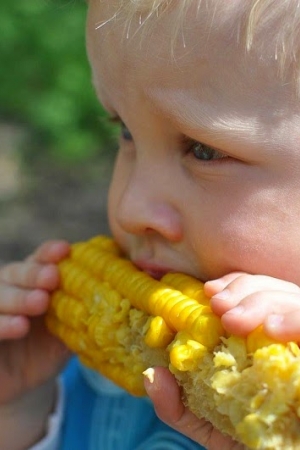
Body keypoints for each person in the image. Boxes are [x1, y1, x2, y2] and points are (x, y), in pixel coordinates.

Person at [1, 0, 300, 448]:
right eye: (125, 131)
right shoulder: (82, 375)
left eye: (203, 150)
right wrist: (21, 409)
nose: (129, 207)